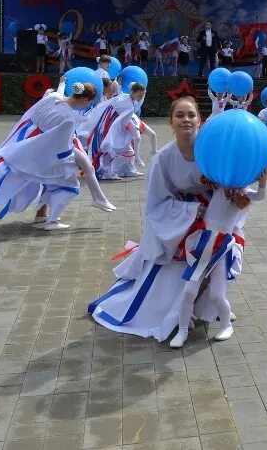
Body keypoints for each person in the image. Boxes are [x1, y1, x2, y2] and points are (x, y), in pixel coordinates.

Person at [89, 97, 240, 343]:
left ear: (200, 120)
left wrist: (237, 197)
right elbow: (156, 203)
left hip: (217, 217)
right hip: (182, 222)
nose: (186, 120)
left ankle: (212, 306)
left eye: (191, 115)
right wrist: (189, 210)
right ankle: (184, 312)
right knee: (183, 272)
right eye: (180, 115)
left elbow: (234, 180)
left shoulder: (214, 150)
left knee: (217, 263)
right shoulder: (163, 158)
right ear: (171, 121)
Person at [0, 80, 101, 230]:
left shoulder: (53, 97)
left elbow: (58, 98)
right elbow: (64, 145)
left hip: (28, 141)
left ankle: (43, 214)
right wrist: (71, 160)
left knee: (40, 179)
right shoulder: (68, 118)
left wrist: (61, 83)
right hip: (40, 150)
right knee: (68, 185)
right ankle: (52, 221)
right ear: (85, 99)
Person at [170, 169, 267, 347]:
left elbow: (259, 196)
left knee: (217, 294)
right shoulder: (218, 184)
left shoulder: (243, 193)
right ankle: (183, 330)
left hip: (222, 247)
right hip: (203, 242)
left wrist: (263, 183)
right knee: (189, 291)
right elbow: (206, 177)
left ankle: (226, 325)